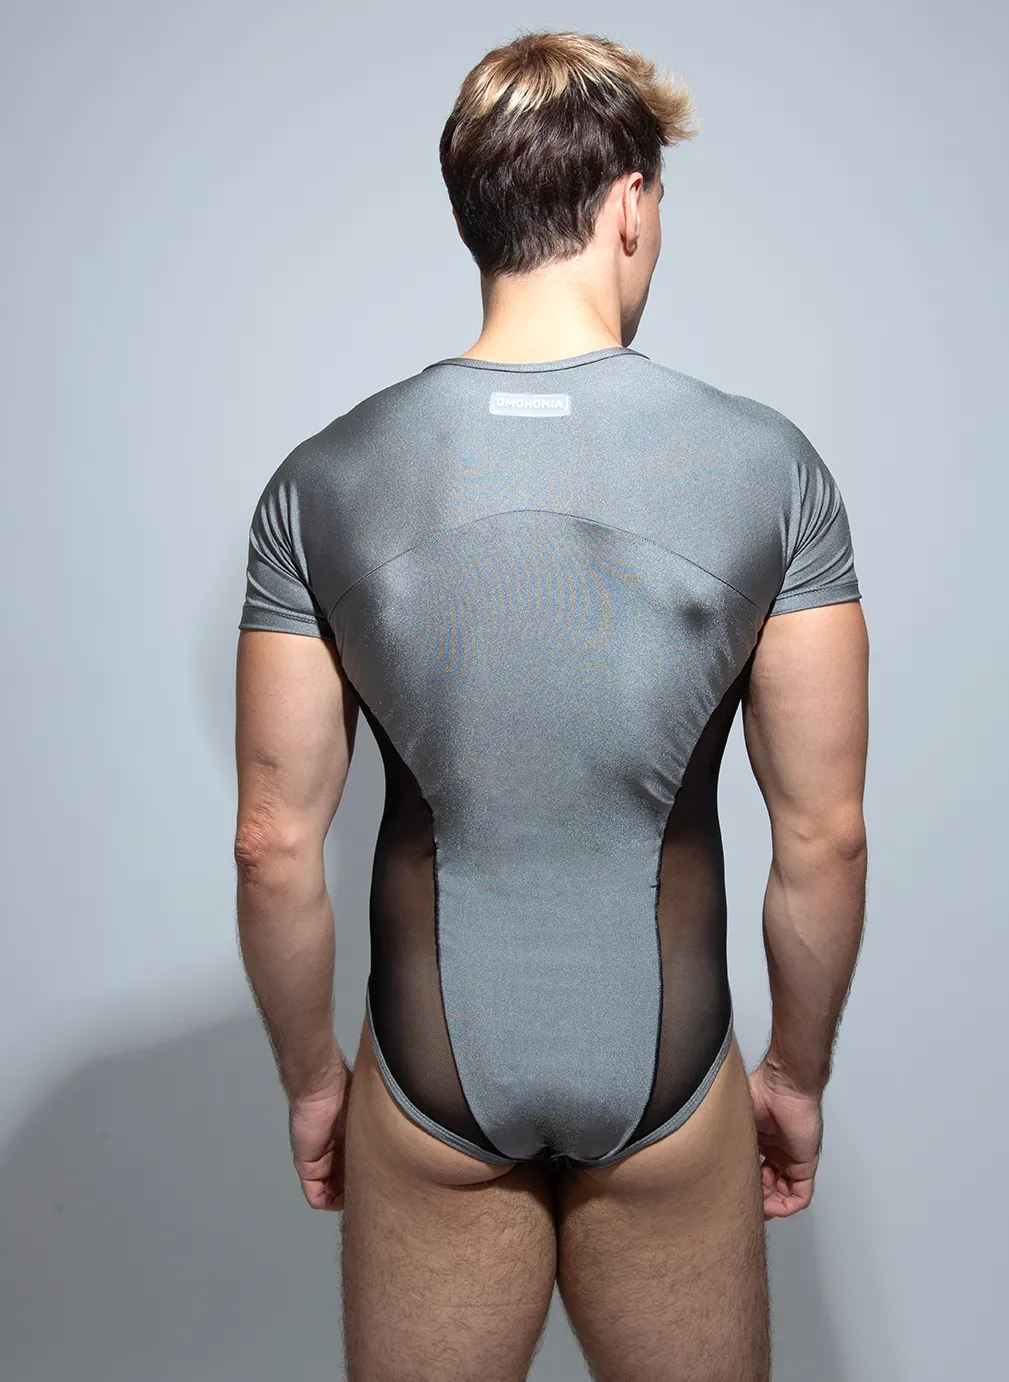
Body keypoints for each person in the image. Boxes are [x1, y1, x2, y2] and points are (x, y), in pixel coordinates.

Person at [234, 29, 869, 1382]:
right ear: (630, 206)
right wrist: (797, 1077)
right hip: (671, 1064)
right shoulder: (771, 470)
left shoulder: (322, 479)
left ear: (478, 211)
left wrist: (311, 1082)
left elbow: (274, 843)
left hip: (426, 1067)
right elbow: (825, 836)